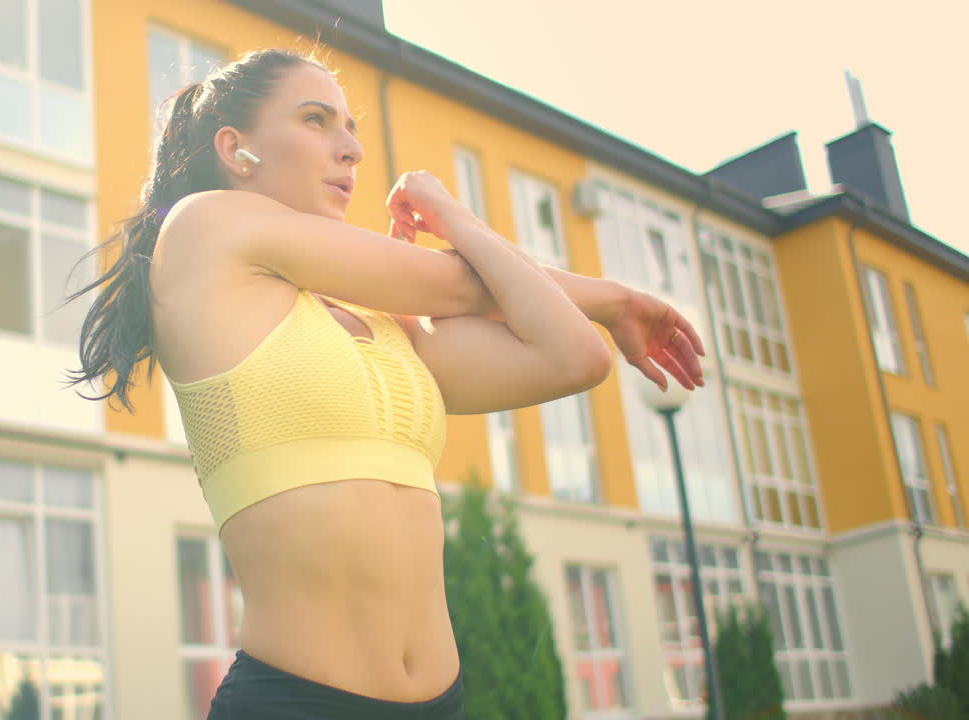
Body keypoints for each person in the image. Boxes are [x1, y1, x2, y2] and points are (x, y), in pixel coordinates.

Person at [70, 48, 705, 719]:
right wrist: (609, 297)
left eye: (351, 128)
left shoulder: (388, 320)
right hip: (297, 703)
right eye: (317, 121)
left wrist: (458, 223)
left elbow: (575, 357)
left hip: (441, 701)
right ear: (236, 148)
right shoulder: (204, 227)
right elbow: (456, 283)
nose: (350, 150)